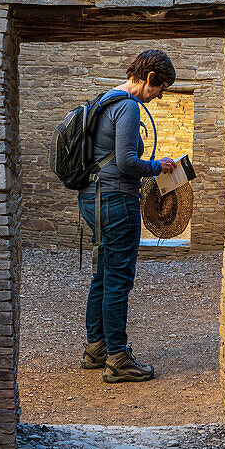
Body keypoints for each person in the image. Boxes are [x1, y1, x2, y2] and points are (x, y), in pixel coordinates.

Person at [78, 49, 177, 383]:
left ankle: (96, 350)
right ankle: (118, 359)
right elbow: (127, 162)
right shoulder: (129, 107)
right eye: (161, 87)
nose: (161, 95)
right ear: (149, 78)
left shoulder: (105, 99)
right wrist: (158, 166)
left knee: (103, 275)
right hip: (117, 201)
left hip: (93, 198)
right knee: (118, 279)